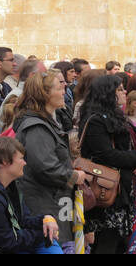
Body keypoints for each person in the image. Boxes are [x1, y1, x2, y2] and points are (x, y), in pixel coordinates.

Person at [11, 70, 86, 248]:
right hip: (44, 204)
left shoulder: (45, 122)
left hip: (53, 201)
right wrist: (73, 176)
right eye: (58, 87)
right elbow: (44, 166)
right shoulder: (36, 127)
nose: (63, 91)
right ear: (44, 94)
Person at [77, 74, 136, 253]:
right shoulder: (96, 120)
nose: (125, 92)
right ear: (108, 93)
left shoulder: (114, 116)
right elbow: (106, 155)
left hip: (121, 187)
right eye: (120, 89)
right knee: (107, 241)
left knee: (117, 242)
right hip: (106, 188)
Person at [0, 137, 62, 254]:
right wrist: (43, 233)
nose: (25, 163)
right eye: (21, 158)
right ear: (4, 161)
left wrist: (45, 220)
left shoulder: (10, 186)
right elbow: (8, 242)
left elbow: (22, 220)